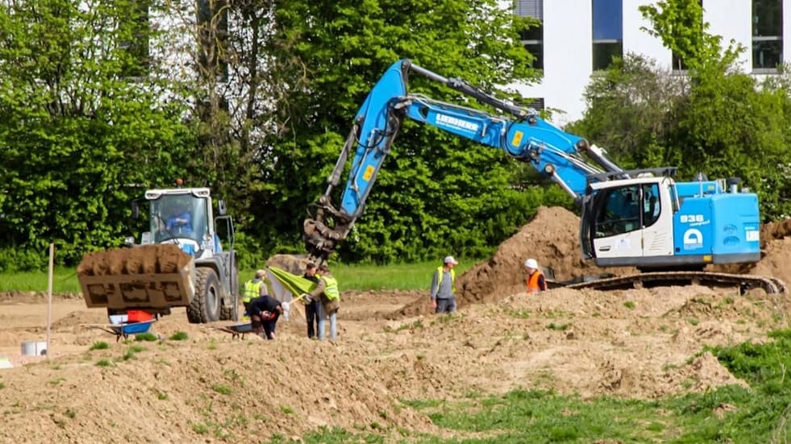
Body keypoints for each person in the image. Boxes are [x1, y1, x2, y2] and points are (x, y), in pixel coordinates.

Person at [307, 263, 340, 341]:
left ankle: (321, 338)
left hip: (327, 301)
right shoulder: (332, 279)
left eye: (318, 271)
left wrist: (310, 295)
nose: (317, 272)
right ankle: (333, 338)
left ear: (322, 271)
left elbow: (320, 289)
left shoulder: (323, 279)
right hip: (335, 300)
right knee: (333, 320)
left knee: (322, 319)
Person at [302, 263, 321, 339]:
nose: (314, 273)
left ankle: (319, 335)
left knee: (318, 318)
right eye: (312, 271)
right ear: (308, 270)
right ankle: (311, 335)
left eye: (314, 271)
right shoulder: (303, 279)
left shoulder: (316, 278)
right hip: (308, 302)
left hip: (317, 301)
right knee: (310, 319)